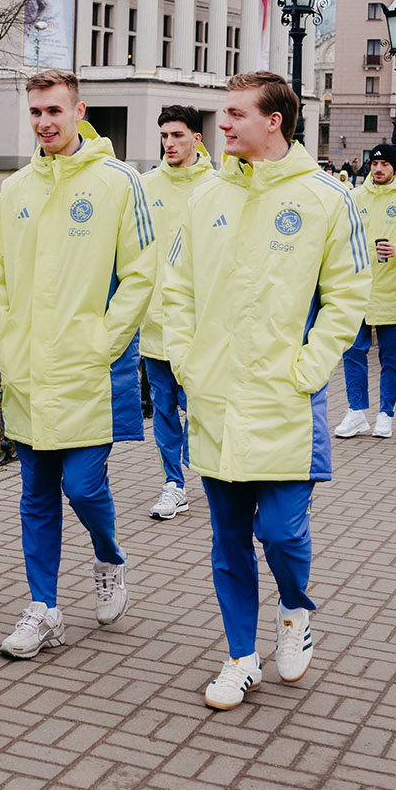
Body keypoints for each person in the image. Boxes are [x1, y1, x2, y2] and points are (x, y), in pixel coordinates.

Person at [159, 71, 368, 710]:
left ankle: (296, 611)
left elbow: (347, 295)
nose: (220, 126)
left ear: (274, 120)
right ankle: (239, 657)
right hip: (216, 396)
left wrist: (308, 369)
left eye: (234, 114)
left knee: (280, 532)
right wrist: (189, 363)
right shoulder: (206, 198)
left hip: (284, 399)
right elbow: (177, 287)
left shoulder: (326, 198)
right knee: (227, 540)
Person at [0, 69, 155, 659]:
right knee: (35, 494)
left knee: (82, 487)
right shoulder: (15, 189)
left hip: (89, 372)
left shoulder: (117, 182)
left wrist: (103, 341)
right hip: (29, 371)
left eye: (55, 110)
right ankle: (44, 608)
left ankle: (109, 557)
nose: (44, 123)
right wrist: (7, 345)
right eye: (35, 112)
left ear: (80, 110)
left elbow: (140, 273)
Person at [140, 104, 214, 520]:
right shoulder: (146, 185)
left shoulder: (216, 186)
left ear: (196, 139)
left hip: (200, 326)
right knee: (165, 409)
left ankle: (212, 473)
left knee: (201, 406)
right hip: (154, 323)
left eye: (178, 136)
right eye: (164, 136)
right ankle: (174, 483)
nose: (170, 143)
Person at [336, 144, 396, 439]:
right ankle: (356, 411)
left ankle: (386, 414)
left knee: (390, 355)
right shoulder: (352, 196)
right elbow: (337, 236)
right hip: (355, 288)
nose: (378, 169)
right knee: (353, 351)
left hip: (391, 289)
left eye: (385, 163)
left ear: (394, 167)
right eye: (374, 163)